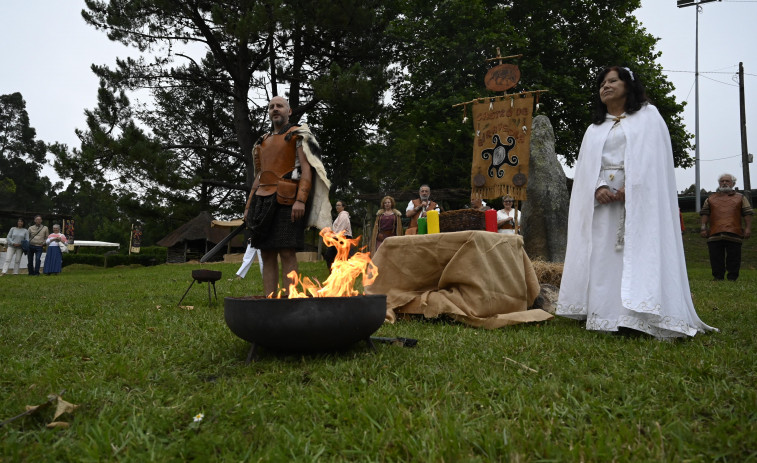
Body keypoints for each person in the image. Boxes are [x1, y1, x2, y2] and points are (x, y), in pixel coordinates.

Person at [556, 65, 715, 339]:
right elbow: (585, 169)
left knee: (636, 252)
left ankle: (636, 317)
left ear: (628, 85)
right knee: (604, 257)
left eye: (613, 81)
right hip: (603, 207)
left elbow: (654, 160)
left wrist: (635, 186)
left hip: (640, 205)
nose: (605, 86)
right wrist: (599, 187)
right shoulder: (594, 129)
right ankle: (605, 316)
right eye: (602, 83)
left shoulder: (648, 117)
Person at [243, 96, 331, 296]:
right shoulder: (262, 141)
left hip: (288, 199)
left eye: (280, 106)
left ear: (289, 111)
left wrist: (301, 199)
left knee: (287, 251)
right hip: (263, 199)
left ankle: (290, 299)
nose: (275, 109)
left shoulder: (296, 135)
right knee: (266, 252)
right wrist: (249, 206)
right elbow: (259, 176)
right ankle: (270, 299)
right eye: (272, 106)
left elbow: (307, 170)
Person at [699, 173, 753, 281]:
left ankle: (732, 278)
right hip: (714, 232)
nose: (724, 183)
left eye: (727, 181)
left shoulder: (741, 198)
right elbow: (705, 213)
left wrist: (748, 228)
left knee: (734, 257)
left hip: (734, 231)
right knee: (715, 257)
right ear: (719, 183)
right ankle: (717, 277)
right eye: (722, 181)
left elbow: (747, 213)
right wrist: (703, 227)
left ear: (733, 183)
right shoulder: (710, 198)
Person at [324, 200, 354, 272]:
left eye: (339, 205)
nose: (337, 207)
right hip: (338, 238)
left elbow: (341, 228)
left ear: (343, 207)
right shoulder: (340, 215)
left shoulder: (343, 215)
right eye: (336, 205)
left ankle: (337, 273)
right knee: (332, 256)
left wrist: (333, 237)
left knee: (333, 256)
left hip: (342, 238)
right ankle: (334, 273)